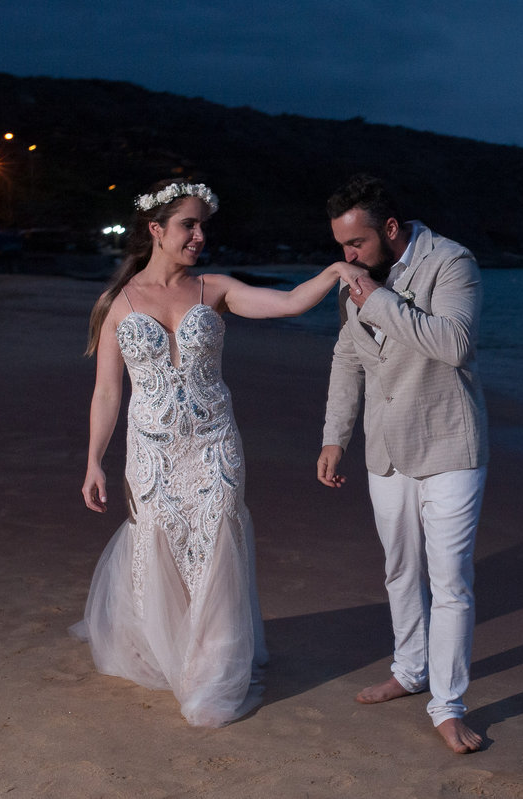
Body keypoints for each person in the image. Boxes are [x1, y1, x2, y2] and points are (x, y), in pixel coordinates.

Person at [72, 179, 365, 727]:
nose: (200, 236)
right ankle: (168, 647)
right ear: (156, 230)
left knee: (217, 539)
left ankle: (213, 667)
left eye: (203, 225)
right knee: (163, 540)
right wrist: (94, 460)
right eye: (188, 224)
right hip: (152, 451)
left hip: (215, 446)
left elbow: (286, 304)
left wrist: (330, 273)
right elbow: (107, 391)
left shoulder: (216, 288)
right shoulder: (120, 303)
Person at [316, 174, 489, 753]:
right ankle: (411, 670)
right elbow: (347, 359)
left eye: (357, 244)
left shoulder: (451, 262)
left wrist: (380, 300)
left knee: (450, 582)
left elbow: (456, 344)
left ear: (389, 229)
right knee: (399, 570)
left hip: (448, 445)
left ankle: (447, 706)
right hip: (383, 448)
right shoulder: (354, 279)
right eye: (342, 246)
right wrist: (334, 437)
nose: (348, 256)